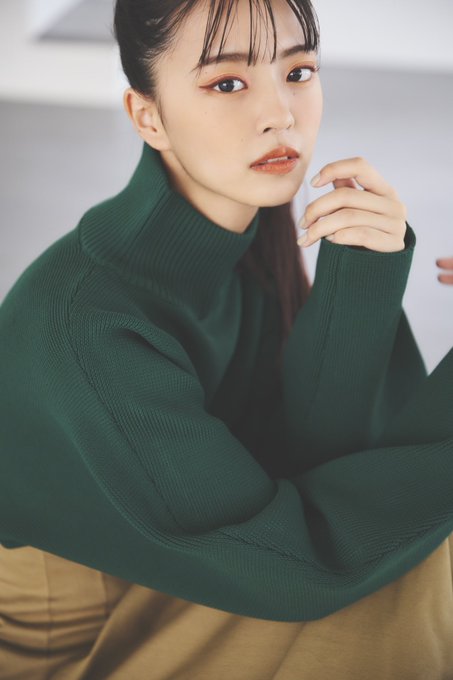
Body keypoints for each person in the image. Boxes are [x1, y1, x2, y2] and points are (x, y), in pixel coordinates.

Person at [0, 0, 453, 678]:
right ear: (147, 117)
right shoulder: (86, 326)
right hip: (72, 640)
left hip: (198, 562)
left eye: (298, 72)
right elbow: (300, 569)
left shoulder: (249, 226)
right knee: (411, 568)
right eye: (228, 82)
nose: (280, 114)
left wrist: (358, 276)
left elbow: (323, 456)